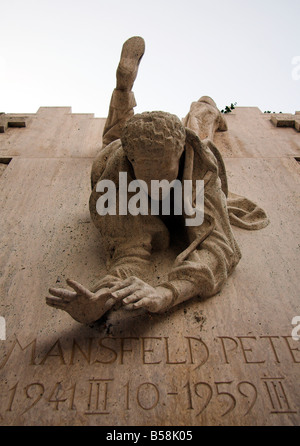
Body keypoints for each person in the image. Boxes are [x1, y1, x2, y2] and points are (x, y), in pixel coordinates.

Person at [46, 37, 269, 324]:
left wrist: (167, 293)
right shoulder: (116, 178)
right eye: (147, 178)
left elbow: (220, 249)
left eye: (164, 174)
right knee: (113, 139)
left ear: (180, 156)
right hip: (113, 156)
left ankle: (203, 107)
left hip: (184, 149)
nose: (156, 188)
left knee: (198, 132)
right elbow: (129, 251)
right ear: (132, 164)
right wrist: (103, 298)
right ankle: (122, 92)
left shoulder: (199, 168)